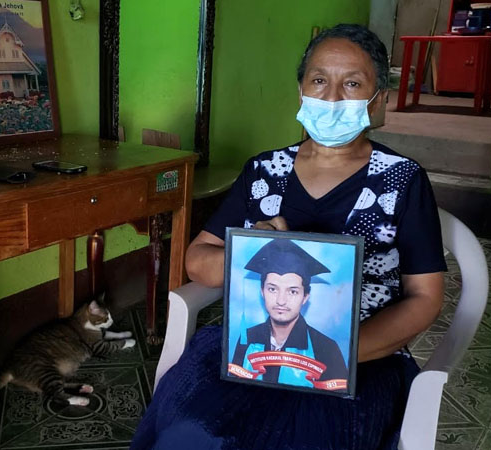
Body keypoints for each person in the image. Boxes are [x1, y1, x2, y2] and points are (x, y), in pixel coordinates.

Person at [132, 23, 446, 450]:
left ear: (378, 102)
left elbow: (425, 296)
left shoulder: (404, 181)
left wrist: (339, 356)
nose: (332, 97)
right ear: (301, 92)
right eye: (319, 80)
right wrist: (252, 250)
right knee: (188, 432)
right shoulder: (263, 172)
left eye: (352, 83)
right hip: (251, 352)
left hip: (361, 359)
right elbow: (198, 260)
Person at [229, 239, 348, 389]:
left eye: (292, 291)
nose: (281, 301)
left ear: (305, 297)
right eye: (272, 289)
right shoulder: (247, 339)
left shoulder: (326, 348)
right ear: (262, 291)